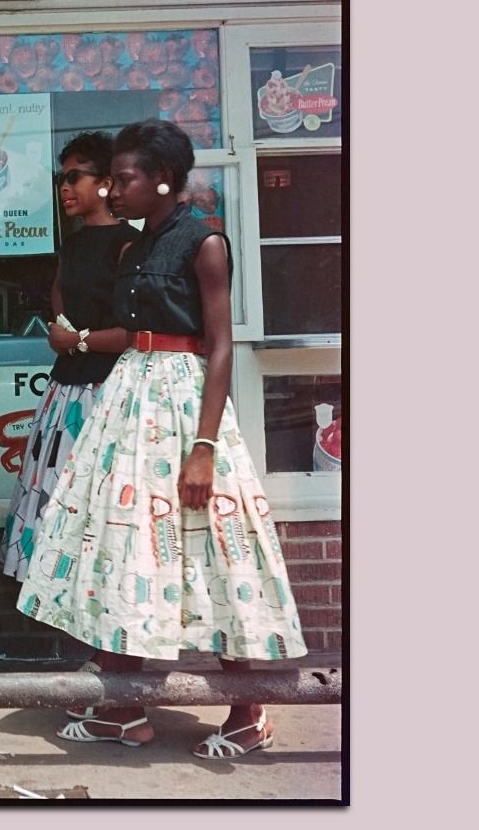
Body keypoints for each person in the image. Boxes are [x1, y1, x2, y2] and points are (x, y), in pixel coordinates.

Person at [15, 118, 305, 759]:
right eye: (112, 179)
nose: (115, 191)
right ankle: (123, 706)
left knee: (217, 547)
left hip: (182, 405)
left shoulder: (204, 244)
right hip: (129, 397)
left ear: (164, 181)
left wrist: (204, 446)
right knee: (120, 545)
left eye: (126, 179)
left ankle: (248, 713)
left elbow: (221, 345)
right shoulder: (135, 247)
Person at [2, 132, 137, 581]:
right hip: (65, 393)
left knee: (101, 505)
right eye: (62, 178)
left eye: (75, 177)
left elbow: (139, 330)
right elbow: (60, 291)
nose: (64, 187)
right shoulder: (74, 244)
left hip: (109, 391)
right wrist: (63, 325)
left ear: (105, 183)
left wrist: (75, 339)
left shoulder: (128, 245)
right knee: (59, 500)